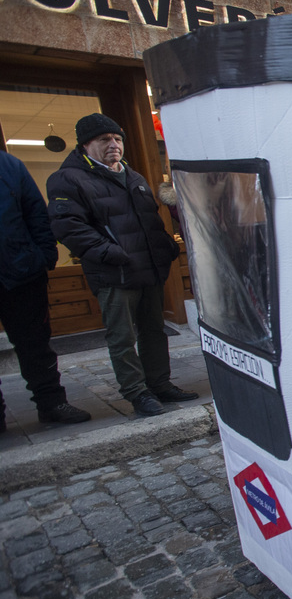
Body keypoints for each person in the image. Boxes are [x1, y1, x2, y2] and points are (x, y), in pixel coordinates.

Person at [46, 113, 198, 418]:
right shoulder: (69, 178)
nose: (113, 145)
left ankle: (160, 384)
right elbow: (68, 228)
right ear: (86, 144)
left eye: (117, 139)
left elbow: (151, 221)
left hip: (148, 269)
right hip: (114, 272)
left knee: (154, 330)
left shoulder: (134, 176)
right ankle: (137, 392)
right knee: (122, 337)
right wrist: (110, 253)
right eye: (104, 140)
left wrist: (165, 246)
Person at [0, 152, 92, 431]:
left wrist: (44, 257)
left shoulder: (10, 166)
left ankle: (51, 403)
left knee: (35, 344)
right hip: (21, 267)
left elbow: (36, 213)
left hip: (21, 271)